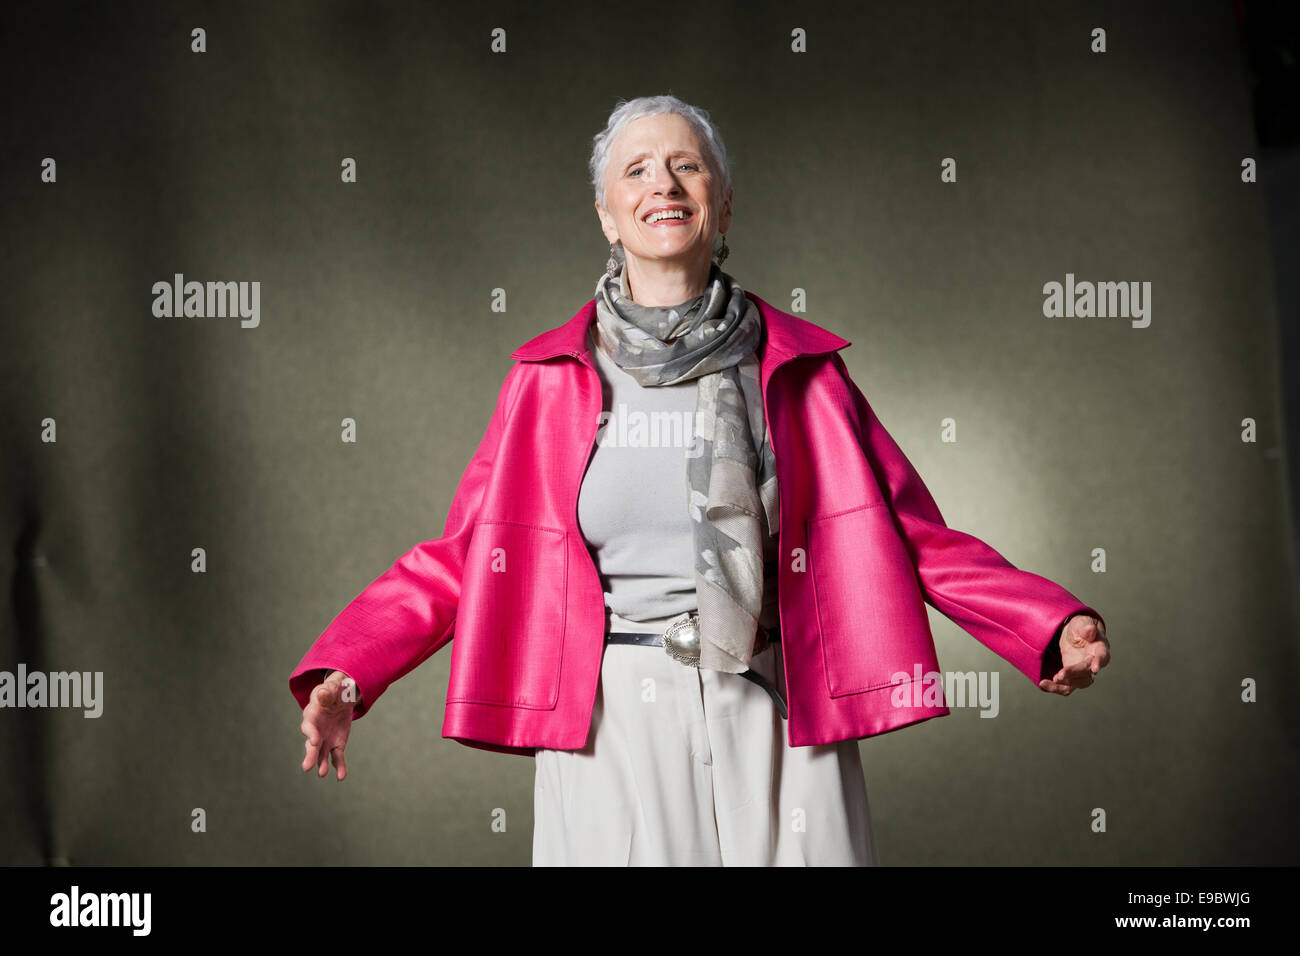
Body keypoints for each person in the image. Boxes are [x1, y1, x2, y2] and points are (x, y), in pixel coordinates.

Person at [291, 94, 1111, 866]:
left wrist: (1046, 622)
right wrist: (352, 673)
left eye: (686, 165)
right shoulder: (548, 379)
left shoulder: (800, 371)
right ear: (608, 216)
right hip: (609, 720)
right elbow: (468, 555)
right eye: (637, 170)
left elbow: (909, 533)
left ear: (722, 203)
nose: (663, 184)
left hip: (782, 711)